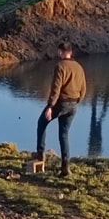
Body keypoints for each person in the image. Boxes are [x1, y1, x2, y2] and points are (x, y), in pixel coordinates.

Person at [34, 41, 87, 177]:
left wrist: (50, 106)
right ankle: (65, 167)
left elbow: (56, 89)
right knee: (64, 135)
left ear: (60, 52)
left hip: (60, 103)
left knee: (41, 124)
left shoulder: (60, 66)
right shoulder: (79, 67)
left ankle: (40, 156)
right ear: (71, 52)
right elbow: (84, 89)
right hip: (74, 105)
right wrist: (77, 102)